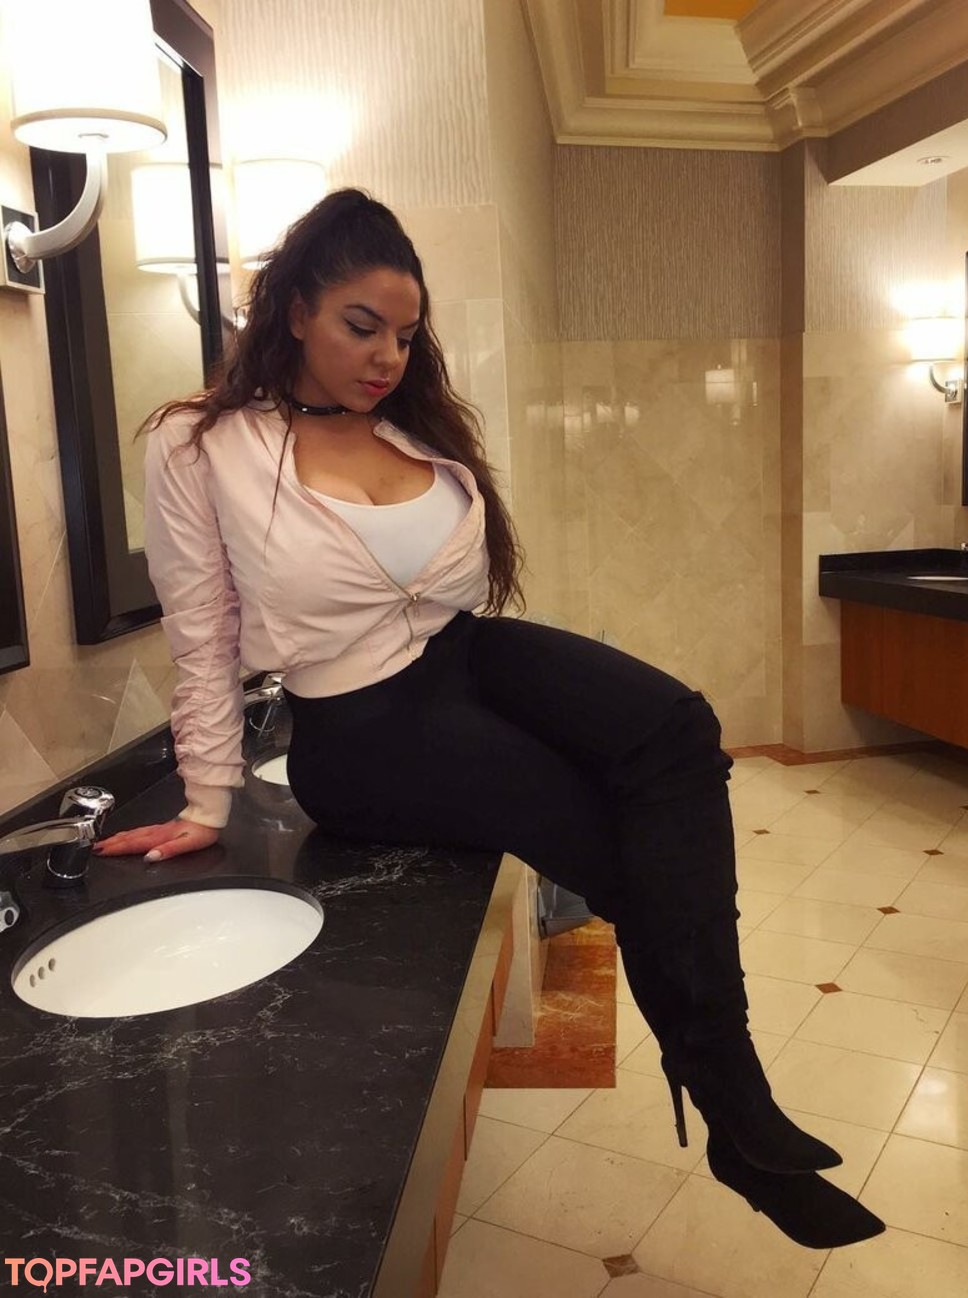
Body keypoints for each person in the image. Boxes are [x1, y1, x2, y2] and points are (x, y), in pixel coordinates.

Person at [92, 189, 885, 1250]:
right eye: (361, 326)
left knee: (680, 728)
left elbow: (451, 589)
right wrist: (206, 798)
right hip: (359, 725)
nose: (387, 356)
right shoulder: (202, 444)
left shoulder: (409, 424)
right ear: (295, 309)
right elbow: (200, 633)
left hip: (466, 651)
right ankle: (738, 1111)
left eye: (404, 334)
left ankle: (734, 1101)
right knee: (614, 844)